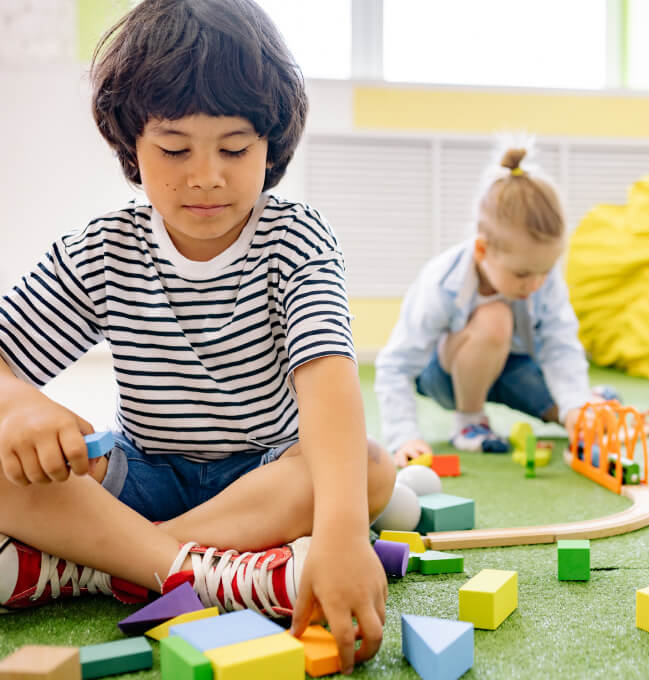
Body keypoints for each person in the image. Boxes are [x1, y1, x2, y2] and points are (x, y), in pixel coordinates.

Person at [0, 0, 393, 670]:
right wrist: (18, 404)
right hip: (139, 473)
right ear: (131, 143)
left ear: (270, 145)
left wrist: (343, 534)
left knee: (368, 468)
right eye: (175, 148)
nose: (205, 175)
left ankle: (98, 565)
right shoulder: (102, 249)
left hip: (262, 479)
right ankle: (200, 570)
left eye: (234, 149)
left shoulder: (296, 238)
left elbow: (328, 383)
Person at [375, 146, 594, 465]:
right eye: (522, 274)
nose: (536, 284)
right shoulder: (443, 282)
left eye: (546, 271)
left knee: (572, 412)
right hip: (447, 376)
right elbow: (396, 364)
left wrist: (576, 406)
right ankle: (469, 422)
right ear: (482, 250)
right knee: (495, 319)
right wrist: (404, 436)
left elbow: (560, 346)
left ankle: (588, 401)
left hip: (511, 369)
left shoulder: (541, 279)